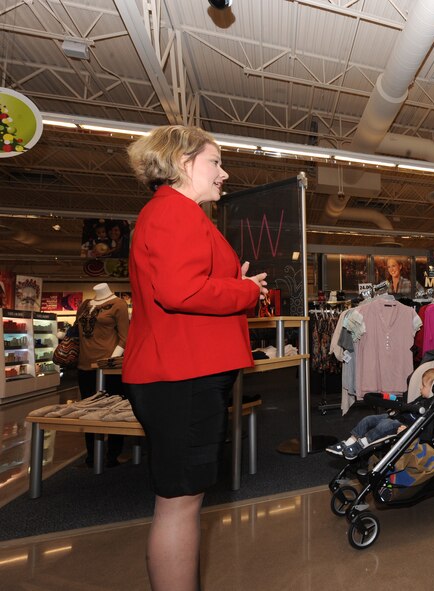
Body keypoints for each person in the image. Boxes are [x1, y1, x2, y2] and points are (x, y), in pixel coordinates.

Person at [124, 125, 268, 591]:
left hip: (181, 370)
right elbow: (180, 291)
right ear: (182, 163)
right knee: (180, 504)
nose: (224, 174)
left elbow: (183, 285)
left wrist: (236, 286)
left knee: (181, 501)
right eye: (215, 162)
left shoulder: (174, 213)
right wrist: (244, 290)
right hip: (182, 373)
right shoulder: (175, 212)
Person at [326, 367, 434, 460]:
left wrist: (408, 430)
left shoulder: (432, 407)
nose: (420, 388)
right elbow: (406, 406)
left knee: (385, 424)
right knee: (369, 419)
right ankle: (349, 442)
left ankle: (360, 445)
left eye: (423, 386)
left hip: (403, 425)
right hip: (397, 416)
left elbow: (426, 428)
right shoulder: (421, 399)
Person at [75, 282, 129, 468]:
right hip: (84, 365)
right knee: (88, 410)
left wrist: (110, 362)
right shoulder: (84, 305)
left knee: (114, 409)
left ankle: (113, 454)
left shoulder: (119, 305)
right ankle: (91, 454)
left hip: (109, 367)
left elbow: (125, 337)